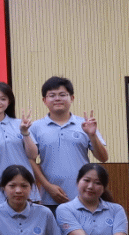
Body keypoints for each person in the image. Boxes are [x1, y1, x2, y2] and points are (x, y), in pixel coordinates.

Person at [32, 76, 108, 209]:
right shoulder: (35, 127)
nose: (57, 99)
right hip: (50, 198)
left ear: (72, 98)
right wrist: (47, 186)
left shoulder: (85, 124)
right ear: (44, 100)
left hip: (83, 197)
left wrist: (93, 135)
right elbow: (30, 160)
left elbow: (103, 158)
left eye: (62, 95)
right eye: (52, 95)